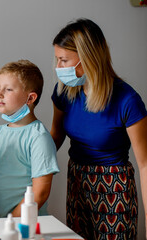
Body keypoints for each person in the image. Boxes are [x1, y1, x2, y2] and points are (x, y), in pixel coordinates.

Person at [51, 18, 147, 239]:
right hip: (77, 181)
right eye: (57, 59)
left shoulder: (127, 100)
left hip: (114, 187)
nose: (58, 68)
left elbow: (145, 165)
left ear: (88, 58)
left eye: (64, 60)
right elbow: (55, 136)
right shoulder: (65, 92)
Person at [0, 59, 60, 218]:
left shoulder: (39, 137)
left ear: (30, 98)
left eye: (8, 89)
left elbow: (40, 193)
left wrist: (10, 224)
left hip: (22, 227)